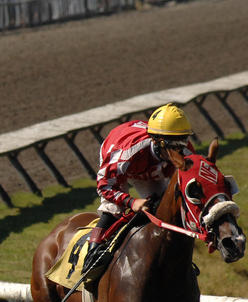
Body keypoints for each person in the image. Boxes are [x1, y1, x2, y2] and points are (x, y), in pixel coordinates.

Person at [81, 103, 195, 275]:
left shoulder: (184, 150)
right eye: (172, 145)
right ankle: (93, 253)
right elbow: (104, 185)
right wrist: (131, 202)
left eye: (182, 142)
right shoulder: (126, 154)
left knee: (166, 205)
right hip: (122, 161)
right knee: (114, 208)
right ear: (157, 141)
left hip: (151, 167)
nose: (178, 151)